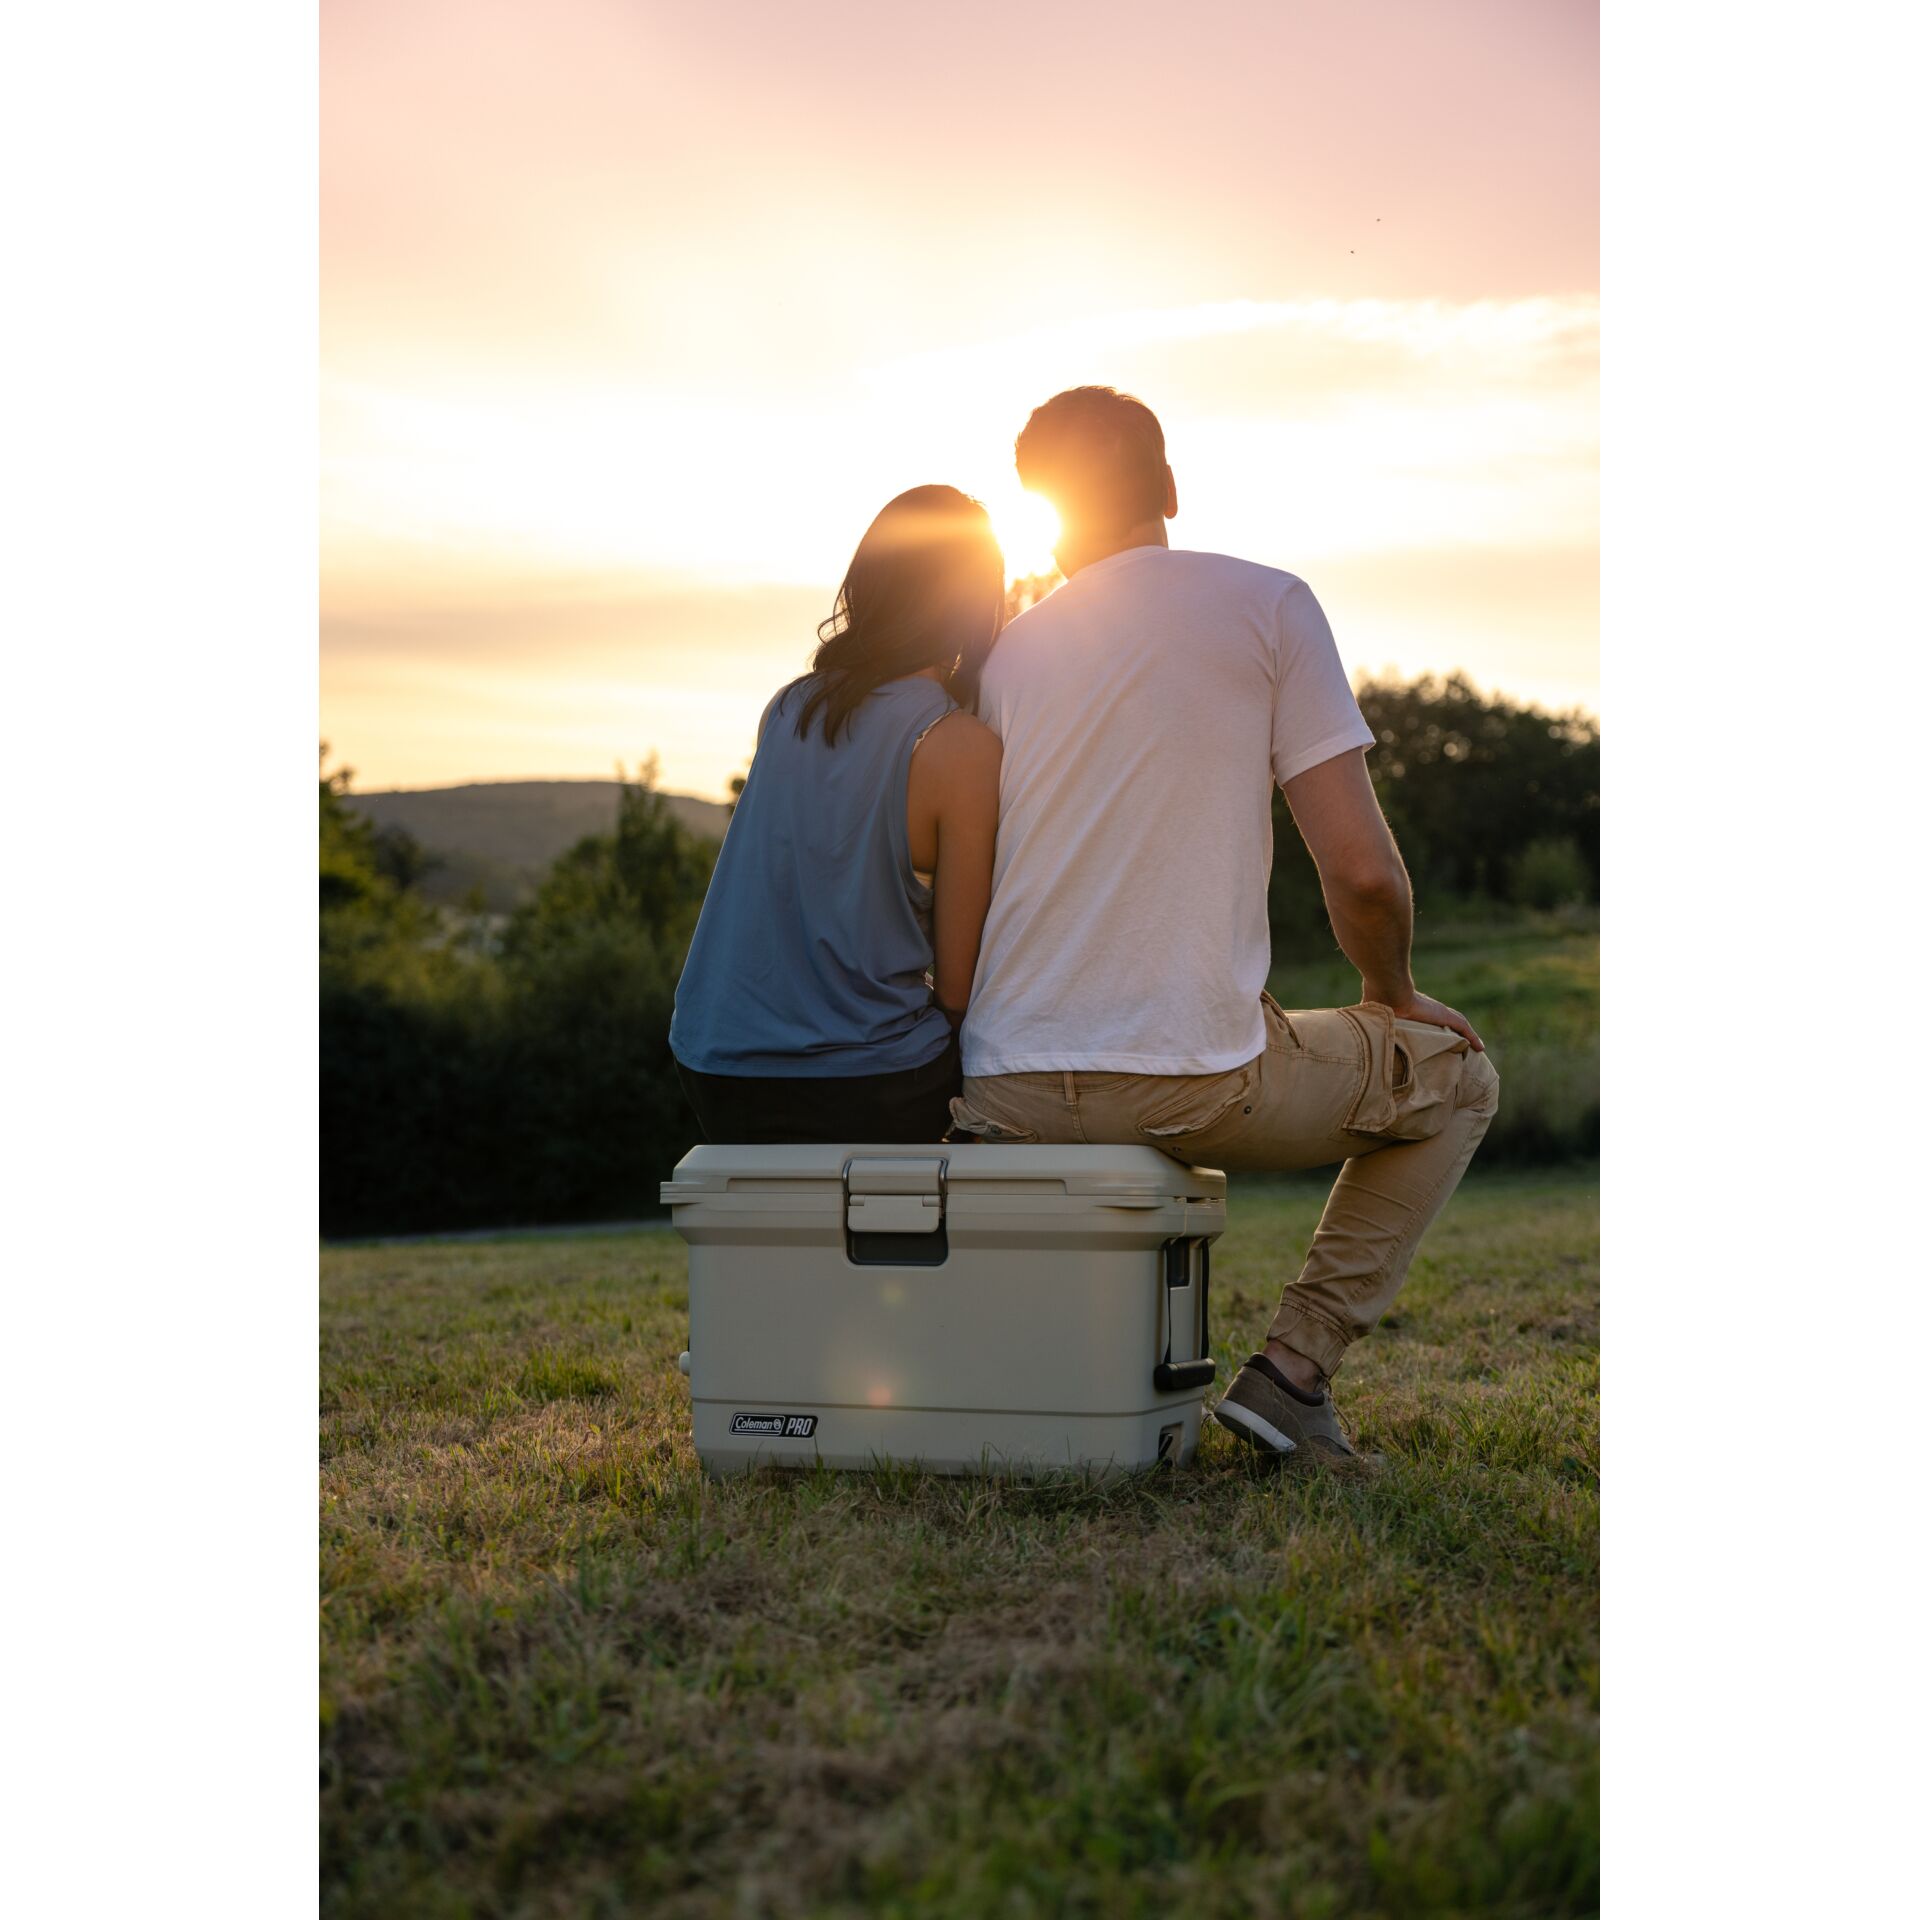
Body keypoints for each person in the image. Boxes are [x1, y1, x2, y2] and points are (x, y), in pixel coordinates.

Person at [950, 388, 1500, 1463]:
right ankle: (1293, 1372)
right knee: (1461, 1078)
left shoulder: (1006, 658)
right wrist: (1392, 996)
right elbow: (1362, 874)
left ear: (1044, 513)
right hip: (1187, 1077)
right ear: (1166, 488)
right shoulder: (1267, 604)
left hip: (1000, 1084)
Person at [671, 485, 1005, 1144]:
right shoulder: (959, 747)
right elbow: (960, 989)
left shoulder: (791, 706)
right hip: (868, 1084)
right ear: (976, 602)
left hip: (713, 1067)